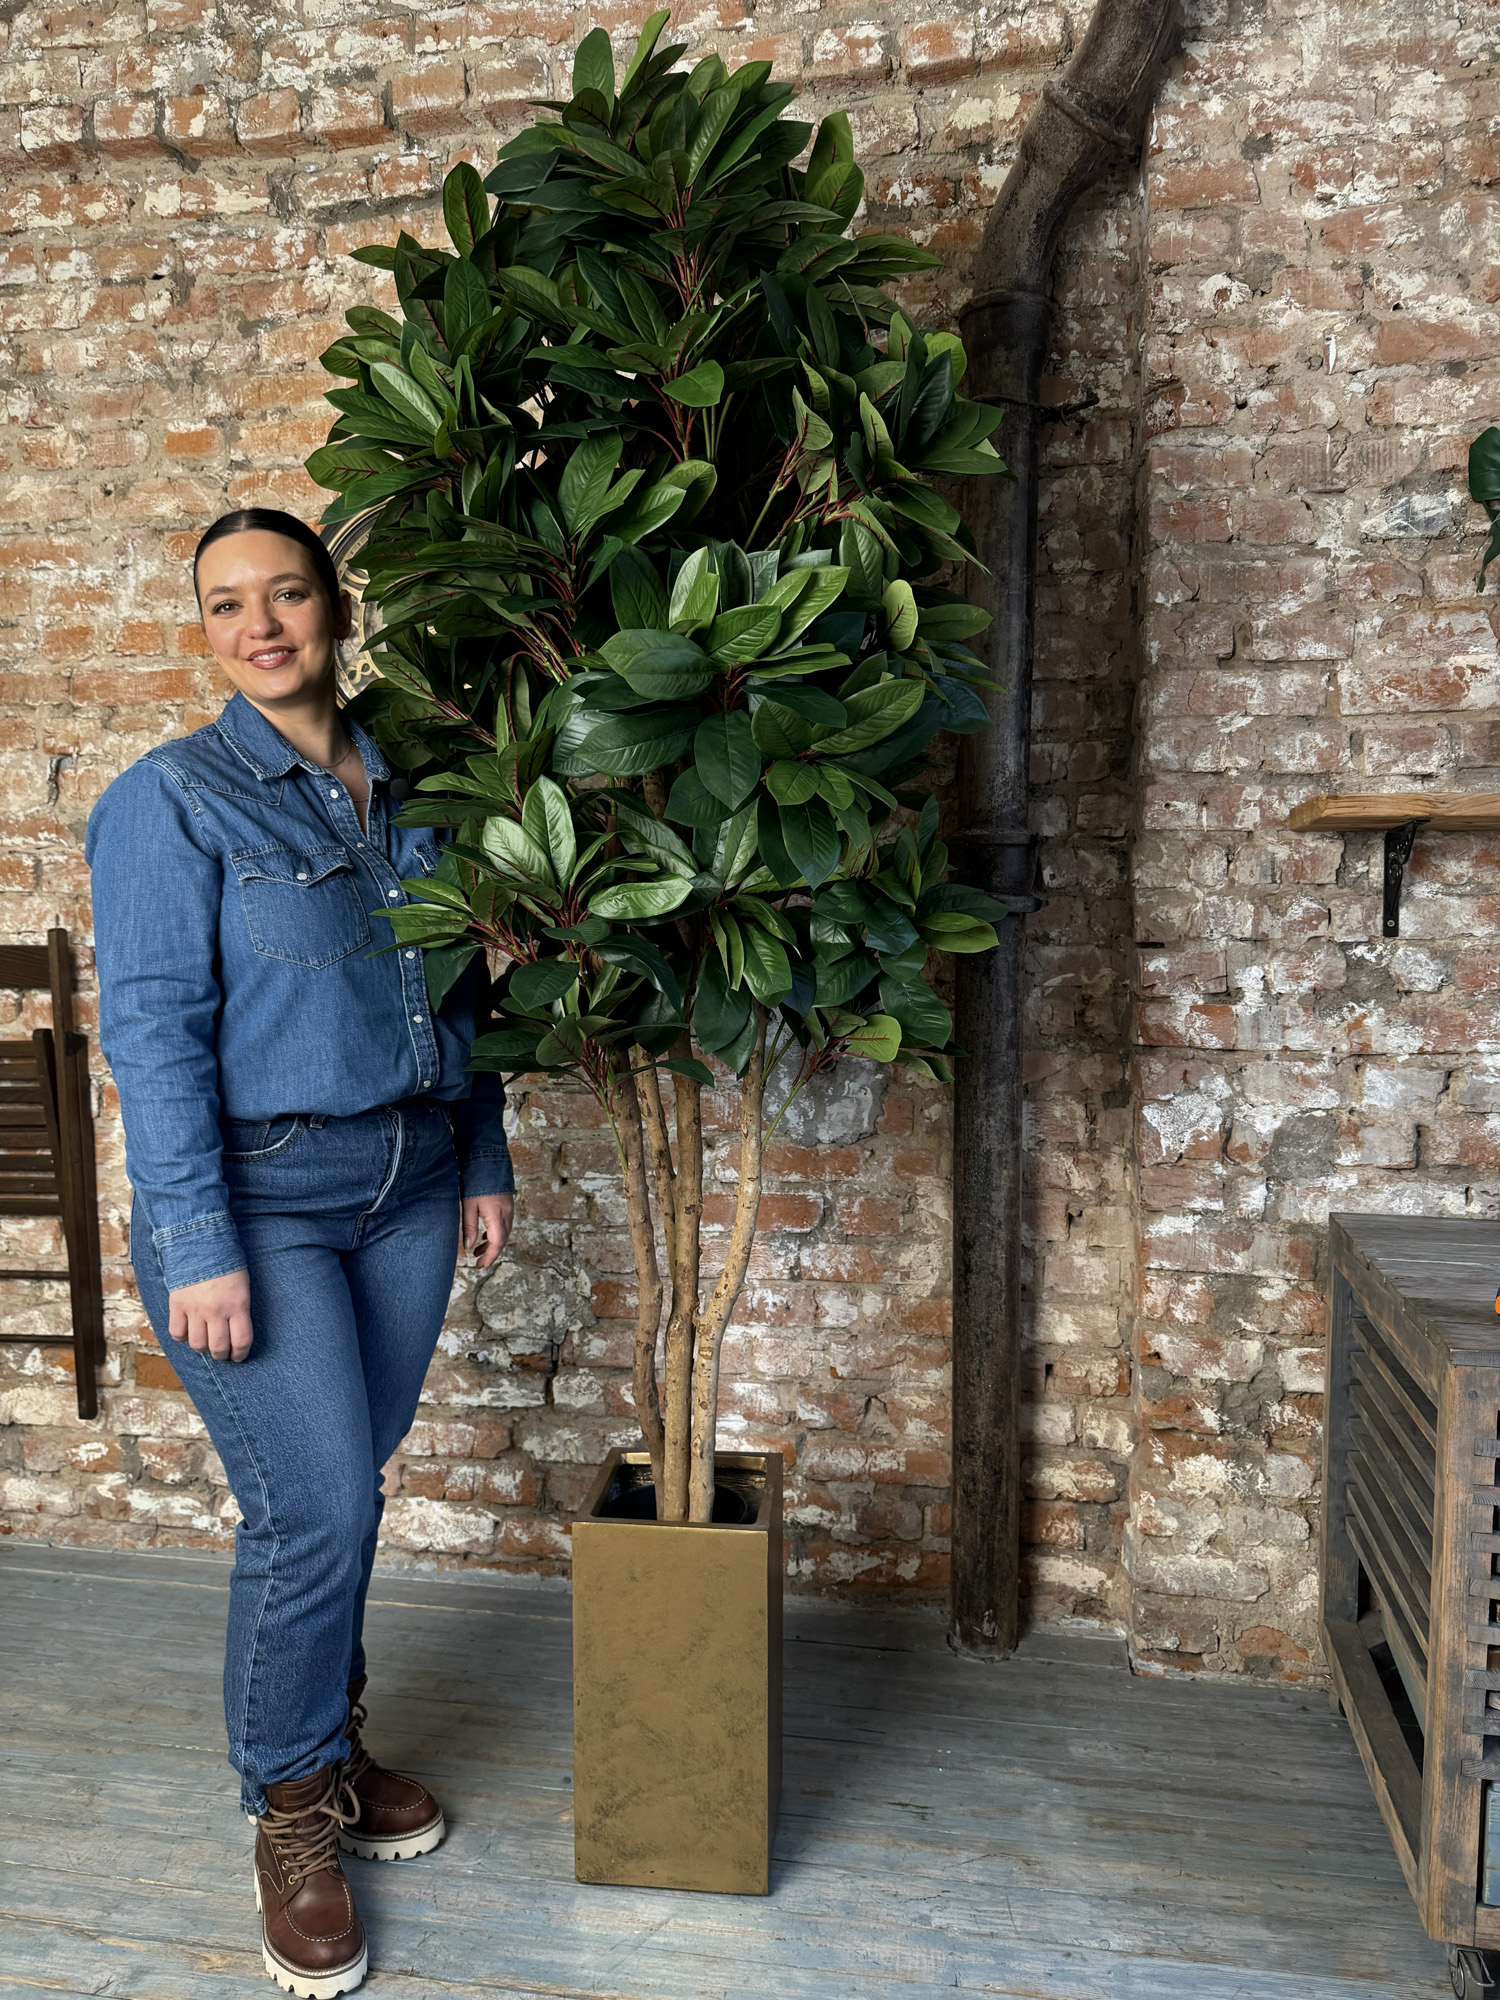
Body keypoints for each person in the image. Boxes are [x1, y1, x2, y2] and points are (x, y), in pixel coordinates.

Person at [86, 507, 515, 2000]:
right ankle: (288, 1811)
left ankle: (327, 1750)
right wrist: (196, 1240)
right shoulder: (169, 801)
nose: (259, 626)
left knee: (349, 1487)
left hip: (409, 1180)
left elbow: (463, 991)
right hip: (256, 1203)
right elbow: (152, 1035)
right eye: (226, 605)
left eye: (285, 595)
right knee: (313, 1506)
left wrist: (483, 1154)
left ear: (335, 607)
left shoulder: (418, 790)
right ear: (203, 630)